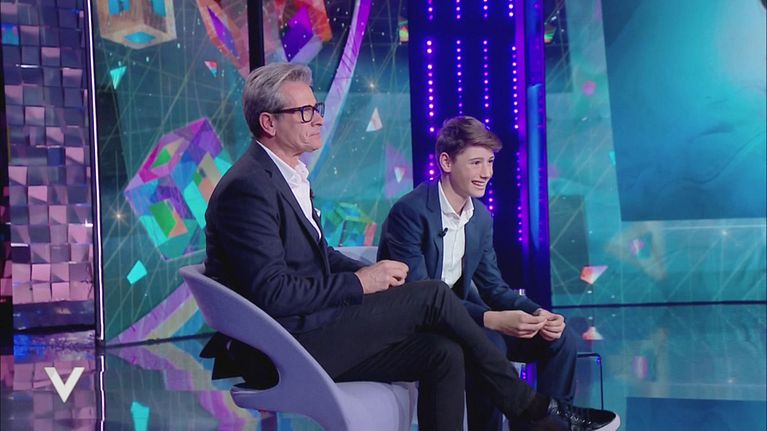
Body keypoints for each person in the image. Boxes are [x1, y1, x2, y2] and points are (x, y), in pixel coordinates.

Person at [201, 63, 620, 431]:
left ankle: (535, 411)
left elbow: (319, 256)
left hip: (312, 328)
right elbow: (273, 293)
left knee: (443, 353)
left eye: (317, 108)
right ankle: (532, 409)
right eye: (306, 111)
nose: (318, 119)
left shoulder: (289, 176)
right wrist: (363, 282)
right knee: (432, 294)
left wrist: (370, 274)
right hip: (283, 346)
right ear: (269, 123)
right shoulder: (248, 188)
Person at [378, 115, 580, 431]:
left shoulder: (481, 217)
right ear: (446, 162)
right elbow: (420, 294)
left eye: (490, 162)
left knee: (559, 338)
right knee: (490, 343)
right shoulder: (411, 212)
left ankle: (552, 423)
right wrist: (490, 319)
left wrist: (538, 313)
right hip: (419, 323)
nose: (487, 173)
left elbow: (493, 287)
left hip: (464, 316)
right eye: (476, 163)